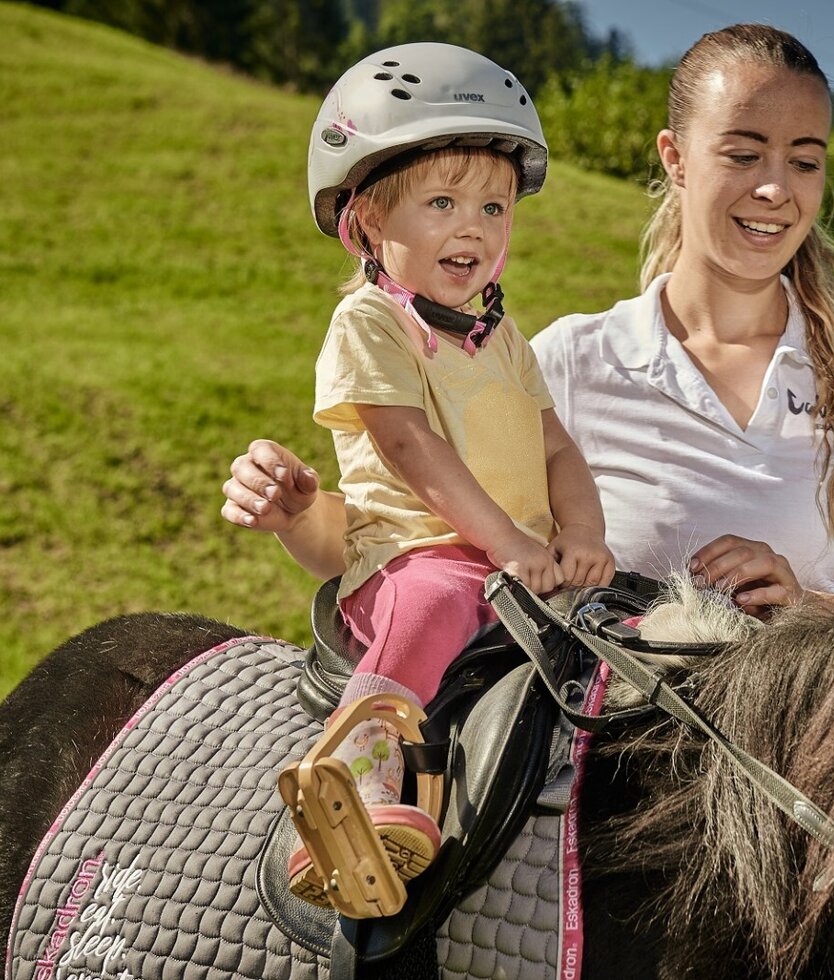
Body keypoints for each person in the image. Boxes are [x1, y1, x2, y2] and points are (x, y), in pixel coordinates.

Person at [222, 23, 834, 619]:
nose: (777, 189)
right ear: (676, 158)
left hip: (811, 765)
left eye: (805, 161)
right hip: (603, 770)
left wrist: (803, 609)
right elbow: (413, 545)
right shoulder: (569, 361)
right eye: (744, 154)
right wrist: (296, 516)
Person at [276, 42, 613, 913]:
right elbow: (409, 448)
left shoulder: (500, 337)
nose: (475, 225)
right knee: (432, 605)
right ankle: (346, 786)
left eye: (494, 205)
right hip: (413, 557)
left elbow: (557, 450)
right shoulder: (370, 324)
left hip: (515, 564)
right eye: (441, 201)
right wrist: (505, 543)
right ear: (364, 220)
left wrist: (583, 534)